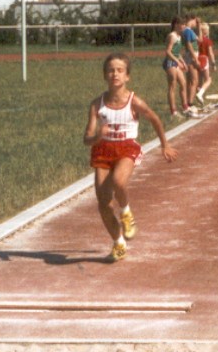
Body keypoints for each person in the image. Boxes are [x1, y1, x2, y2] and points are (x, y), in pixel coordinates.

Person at [83, 53, 178, 262]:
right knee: (103, 203)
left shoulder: (134, 101)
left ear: (127, 77)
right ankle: (118, 242)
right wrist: (98, 135)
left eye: (119, 70)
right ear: (104, 75)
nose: (114, 74)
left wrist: (165, 144)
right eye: (110, 70)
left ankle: (126, 212)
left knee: (119, 181)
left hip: (127, 148)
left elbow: (154, 119)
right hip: (103, 151)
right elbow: (87, 138)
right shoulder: (96, 104)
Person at [163, 17, 190, 118]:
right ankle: (173, 112)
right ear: (176, 25)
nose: (184, 26)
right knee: (172, 86)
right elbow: (168, 52)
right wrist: (177, 61)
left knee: (183, 83)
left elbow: (177, 52)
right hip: (170, 63)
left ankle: (185, 107)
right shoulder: (172, 36)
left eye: (184, 24)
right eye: (182, 24)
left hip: (175, 62)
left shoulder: (179, 36)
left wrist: (183, 62)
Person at [181, 14, 201, 114]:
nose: (195, 23)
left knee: (190, 81)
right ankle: (190, 103)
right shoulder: (188, 31)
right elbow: (189, 45)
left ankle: (189, 102)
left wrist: (199, 26)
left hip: (190, 56)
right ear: (191, 20)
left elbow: (200, 40)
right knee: (194, 81)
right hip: (191, 57)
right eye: (195, 21)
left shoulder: (189, 31)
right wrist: (195, 58)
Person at [195, 21, 217, 105]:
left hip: (197, 59)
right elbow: (210, 53)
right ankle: (200, 94)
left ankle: (199, 98)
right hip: (204, 59)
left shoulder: (196, 39)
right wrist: (213, 63)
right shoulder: (207, 41)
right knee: (208, 80)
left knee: (199, 81)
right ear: (205, 31)